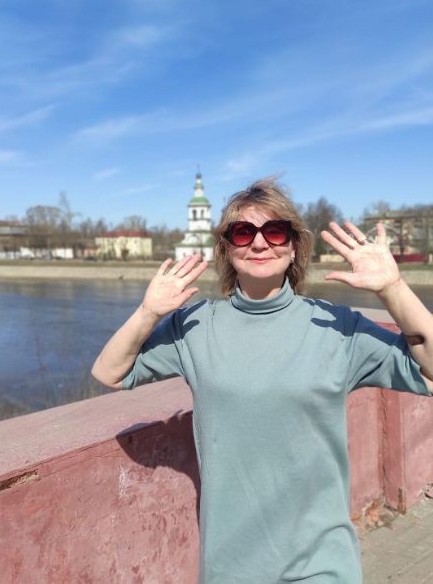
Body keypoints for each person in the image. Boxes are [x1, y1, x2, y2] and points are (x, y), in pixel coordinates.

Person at [92, 178, 432, 583]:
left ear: (293, 247)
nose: (258, 243)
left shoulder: (337, 327)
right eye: (242, 232)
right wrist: (149, 312)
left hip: (321, 565)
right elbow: (110, 372)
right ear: (226, 248)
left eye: (275, 231)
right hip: (229, 567)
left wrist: (393, 289)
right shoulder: (195, 326)